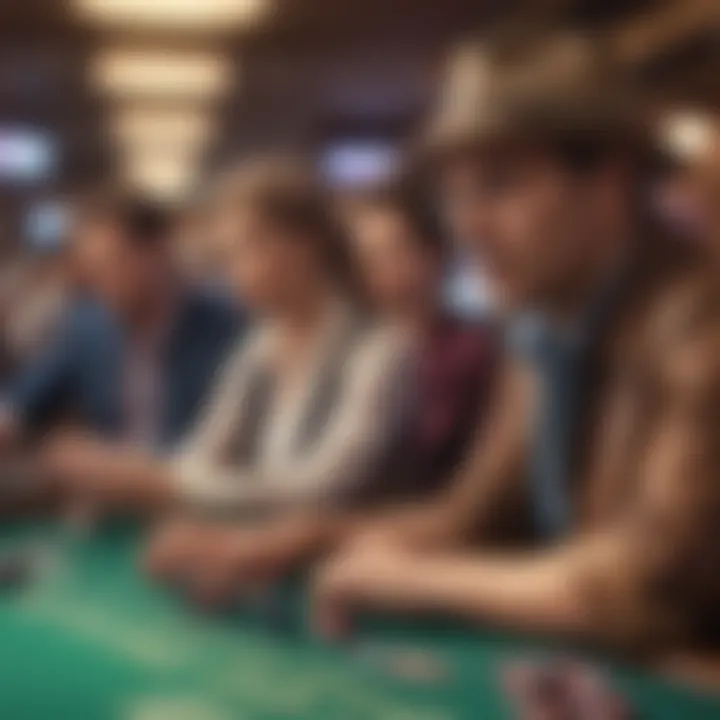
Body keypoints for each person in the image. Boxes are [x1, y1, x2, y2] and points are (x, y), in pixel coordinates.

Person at [150, 33, 720, 655]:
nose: (469, 227)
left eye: (501, 186)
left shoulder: (701, 319)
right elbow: (467, 516)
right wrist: (298, 540)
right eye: (457, 195)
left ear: (610, 180)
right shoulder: (538, 330)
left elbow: (649, 585)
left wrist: (419, 580)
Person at [42, 158, 414, 516]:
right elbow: (204, 454)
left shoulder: (380, 349)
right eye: (228, 255)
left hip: (351, 563)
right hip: (269, 555)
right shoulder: (258, 346)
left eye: (245, 248)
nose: (232, 271)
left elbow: (320, 490)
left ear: (305, 244)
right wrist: (121, 473)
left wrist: (156, 483)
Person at [0, 189, 242, 450]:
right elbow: (22, 404)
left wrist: (123, 470)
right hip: (108, 484)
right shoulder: (89, 326)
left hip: (187, 482)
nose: (102, 283)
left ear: (159, 253)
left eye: (114, 264)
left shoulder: (226, 328)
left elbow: (225, 450)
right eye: (93, 269)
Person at [347, 181, 496, 494]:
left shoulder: (472, 350)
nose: (379, 267)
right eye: (367, 256)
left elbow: (428, 458)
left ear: (436, 254)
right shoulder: (349, 351)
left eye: (395, 250)